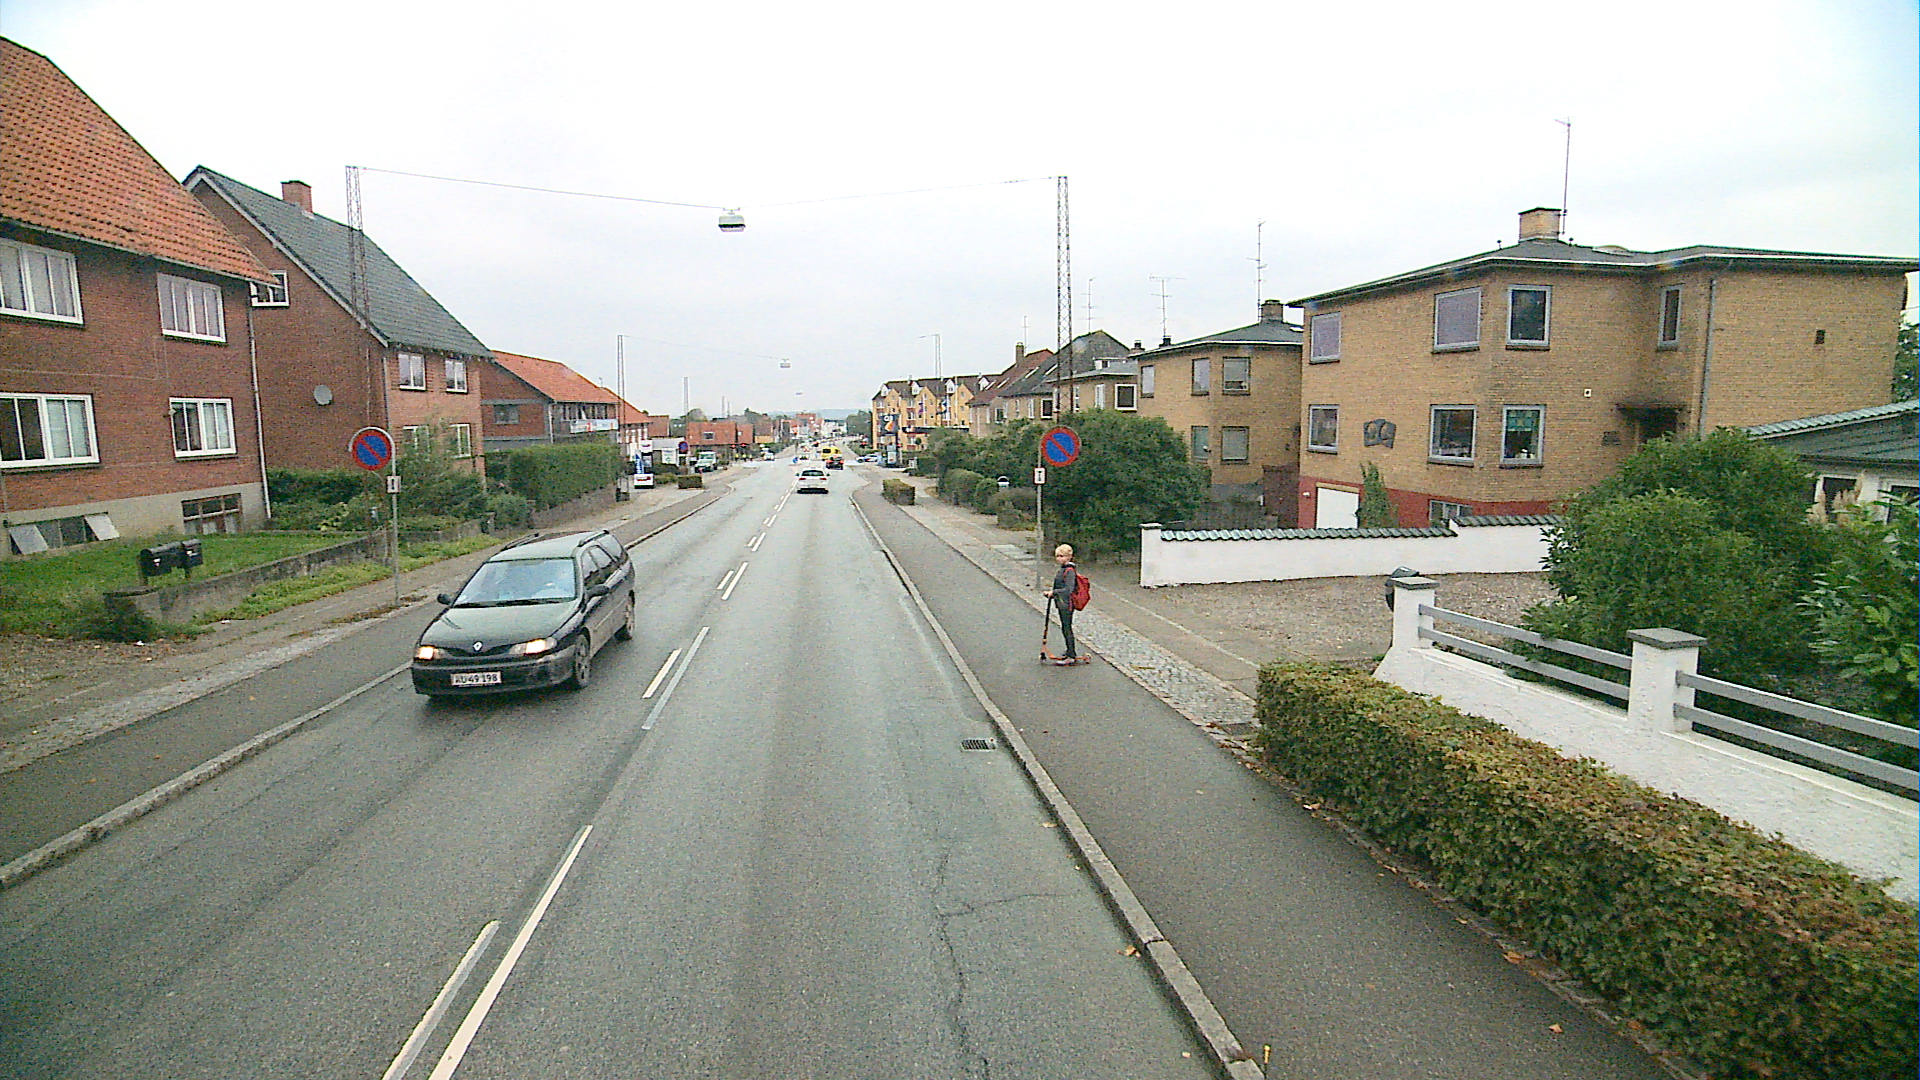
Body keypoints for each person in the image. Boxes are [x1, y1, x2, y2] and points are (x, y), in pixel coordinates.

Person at [1044, 542, 1079, 662]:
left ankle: (1071, 655)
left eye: (1061, 556)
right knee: (1065, 628)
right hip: (1061, 602)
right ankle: (1069, 651)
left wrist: (1054, 592)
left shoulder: (1069, 571)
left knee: (1067, 628)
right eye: (1057, 556)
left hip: (1067, 604)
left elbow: (1068, 589)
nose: (1059, 559)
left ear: (1069, 557)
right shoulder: (1063, 569)